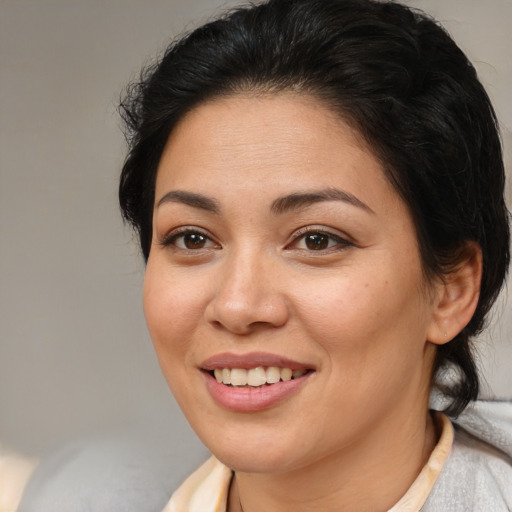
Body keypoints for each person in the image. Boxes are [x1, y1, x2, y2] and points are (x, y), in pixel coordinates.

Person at [4, 0, 510, 510]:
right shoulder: (73, 494)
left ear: (451, 291)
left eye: (317, 240)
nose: (238, 306)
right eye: (192, 238)